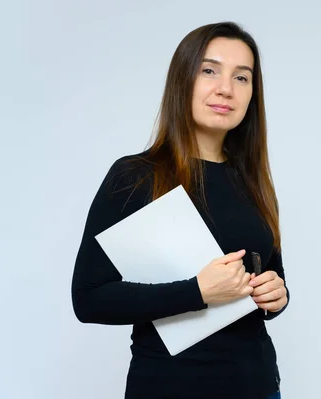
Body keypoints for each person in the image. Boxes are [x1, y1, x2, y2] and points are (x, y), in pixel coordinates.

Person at [71, 21, 290, 399]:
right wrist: (197, 292)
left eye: (242, 77)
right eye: (209, 70)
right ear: (182, 80)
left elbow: (271, 278)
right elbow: (89, 298)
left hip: (259, 387)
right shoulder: (135, 176)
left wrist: (277, 294)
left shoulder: (252, 182)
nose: (226, 88)